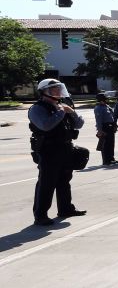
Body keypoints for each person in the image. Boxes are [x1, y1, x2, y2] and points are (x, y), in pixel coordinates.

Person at [29, 79, 86, 225]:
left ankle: (65, 209)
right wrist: (61, 111)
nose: (58, 91)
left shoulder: (62, 106)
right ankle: (40, 215)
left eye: (59, 88)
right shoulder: (38, 108)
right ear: (45, 91)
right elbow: (45, 125)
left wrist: (71, 112)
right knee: (46, 183)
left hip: (65, 148)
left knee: (64, 181)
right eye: (54, 89)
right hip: (49, 150)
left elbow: (79, 124)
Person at [93, 93, 118, 166]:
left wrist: (114, 125)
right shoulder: (98, 108)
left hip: (110, 127)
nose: (107, 99)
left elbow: (111, 116)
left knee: (111, 143)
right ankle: (106, 160)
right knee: (105, 145)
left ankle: (111, 158)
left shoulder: (106, 106)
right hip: (105, 127)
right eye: (105, 98)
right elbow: (98, 120)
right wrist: (99, 130)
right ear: (102, 99)